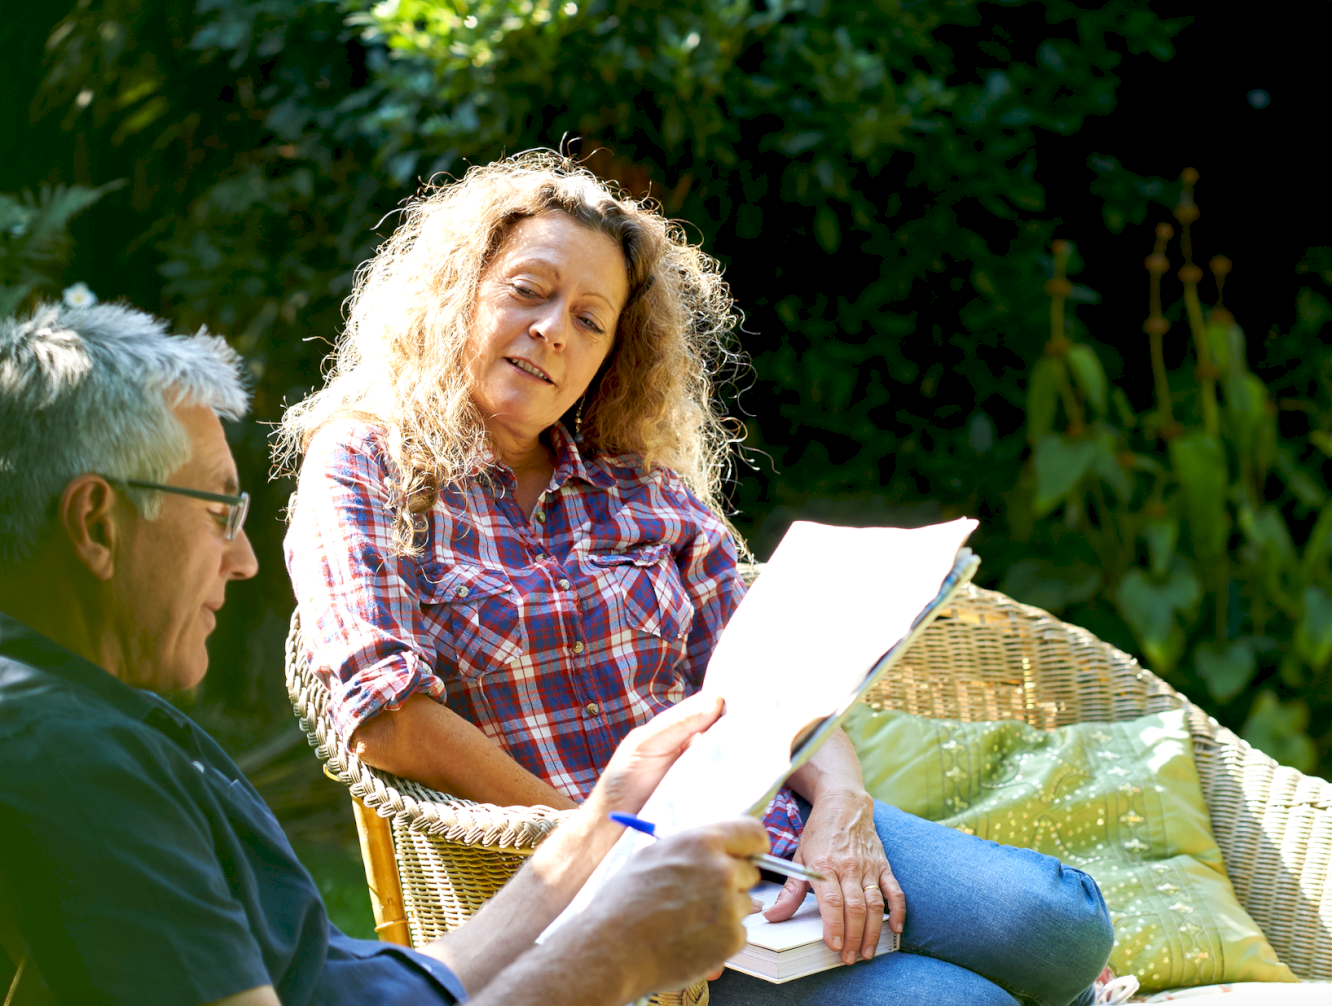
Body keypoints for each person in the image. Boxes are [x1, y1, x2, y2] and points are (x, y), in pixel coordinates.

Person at [280, 151, 1119, 1006]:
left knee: (1062, 923)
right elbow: (387, 719)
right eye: (528, 291)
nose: (553, 330)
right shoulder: (366, 463)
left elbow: (779, 676)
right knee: (955, 1004)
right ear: (459, 290)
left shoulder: (638, 481)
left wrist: (843, 808)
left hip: (766, 827)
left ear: (611, 353)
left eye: (590, 319)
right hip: (583, 877)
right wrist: (602, 844)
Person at [0, 302, 768, 1006]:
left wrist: (598, 825)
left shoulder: (70, 712)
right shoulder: (69, 769)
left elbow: (379, 983)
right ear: (96, 524)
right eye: (218, 512)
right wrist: (614, 958)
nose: (241, 561)